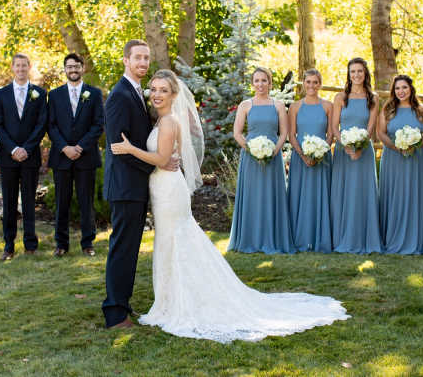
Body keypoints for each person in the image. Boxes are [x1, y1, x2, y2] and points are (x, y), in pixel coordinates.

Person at [110, 69, 349, 342]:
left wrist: (131, 149)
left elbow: (163, 158)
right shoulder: (163, 120)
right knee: (170, 242)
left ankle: (178, 301)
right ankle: (169, 298)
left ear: (174, 94)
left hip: (169, 192)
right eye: (153, 89)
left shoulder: (168, 122)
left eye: (163, 90)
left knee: (174, 241)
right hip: (163, 188)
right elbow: (166, 158)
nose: (157, 94)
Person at [102, 40, 177, 329]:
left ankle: (122, 302)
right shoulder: (120, 95)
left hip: (134, 185)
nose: (143, 62)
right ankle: (115, 313)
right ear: (126, 60)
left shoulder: (135, 91)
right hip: (125, 186)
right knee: (122, 249)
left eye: (146, 58)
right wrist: (157, 164)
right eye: (138, 58)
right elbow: (118, 146)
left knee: (130, 249)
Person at [228, 67, 294, 254]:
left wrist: (274, 151)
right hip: (250, 158)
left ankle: (272, 238)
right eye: (256, 80)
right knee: (252, 196)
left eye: (264, 80)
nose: (260, 84)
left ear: (270, 83)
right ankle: (250, 239)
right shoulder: (245, 105)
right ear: (252, 83)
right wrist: (252, 150)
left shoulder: (278, 105)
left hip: (273, 157)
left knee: (271, 196)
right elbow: (237, 133)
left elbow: (284, 133)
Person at [47, 53, 104, 257]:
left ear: (82, 68)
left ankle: (88, 243)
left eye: (76, 66)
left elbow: (98, 124)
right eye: (69, 66)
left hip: (85, 157)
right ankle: (61, 244)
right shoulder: (54, 95)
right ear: (65, 69)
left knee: (86, 202)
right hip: (61, 157)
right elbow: (51, 125)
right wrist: (65, 148)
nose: (73, 70)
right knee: (62, 202)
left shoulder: (94, 94)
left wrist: (79, 147)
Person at [0, 53, 47, 259]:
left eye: (24, 65)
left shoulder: (39, 94)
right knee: (8, 202)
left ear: (29, 67)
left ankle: (30, 244)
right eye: (18, 65)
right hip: (8, 157)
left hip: (30, 156)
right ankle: (9, 246)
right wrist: (13, 149)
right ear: (12, 68)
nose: (21, 69)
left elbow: (41, 124)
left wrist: (27, 148)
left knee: (28, 201)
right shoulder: (1, 94)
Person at [330, 58, 382, 254]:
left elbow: (371, 127)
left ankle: (364, 237)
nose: (356, 75)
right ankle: (341, 236)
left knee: (362, 192)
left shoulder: (373, 98)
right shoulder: (340, 97)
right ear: (349, 74)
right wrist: (346, 145)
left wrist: (359, 146)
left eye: (360, 71)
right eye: (353, 71)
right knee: (343, 192)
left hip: (364, 151)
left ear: (365, 73)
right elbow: (334, 126)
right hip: (343, 152)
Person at [376, 75, 423, 255]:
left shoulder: (422, 111)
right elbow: (381, 133)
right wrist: (396, 147)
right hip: (393, 159)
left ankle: (416, 238)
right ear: (393, 91)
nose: (401, 91)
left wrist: (416, 145)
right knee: (395, 195)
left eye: (404, 87)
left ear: (411, 89)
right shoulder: (388, 109)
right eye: (397, 88)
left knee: (414, 194)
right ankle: (392, 237)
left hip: (416, 159)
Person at [287, 69, 333, 253]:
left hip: (322, 158)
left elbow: (331, 134)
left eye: (315, 82)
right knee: (300, 196)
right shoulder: (295, 107)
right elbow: (291, 135)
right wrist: (303, 155)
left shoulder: (328, 106)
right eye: (308, 82)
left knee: (321, 196)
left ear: (320, 84)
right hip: (300, 158)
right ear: (303, 83)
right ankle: (300, 238)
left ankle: (321, 238)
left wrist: (320, 152)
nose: (312, 86)